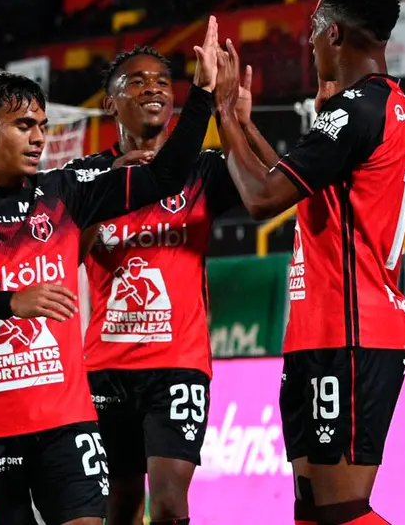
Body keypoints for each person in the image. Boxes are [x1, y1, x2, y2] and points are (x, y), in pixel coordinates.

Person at [0, 17, 221, 525]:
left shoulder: (65, 191)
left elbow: (164, 175)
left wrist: (202, 94)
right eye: (24, 126)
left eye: (43, 126)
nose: (39, 139)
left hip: (68, 426)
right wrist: (10, 302)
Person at [215, 0, 405, 525]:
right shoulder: (381, 107)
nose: (308, 41)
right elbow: (296, 179)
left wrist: (222, 112)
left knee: (341, 512)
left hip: (350, 334)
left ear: (334, 33)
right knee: (311, 508)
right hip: (322, 331)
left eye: (313, 27)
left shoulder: (357, 110)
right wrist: (243, 127)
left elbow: (262, 198)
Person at [62, 44, 277, 525]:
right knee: (119, 505)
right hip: (106, 367)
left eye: (162, 81)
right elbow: (67, 259)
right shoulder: (84, 176)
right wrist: (105, 194)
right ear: (110, 102)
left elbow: (275, 188)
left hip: (179, 366)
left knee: (168, 503)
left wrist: (239, 123)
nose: (153, 88)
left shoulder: (202, 170)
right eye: (136, 81)